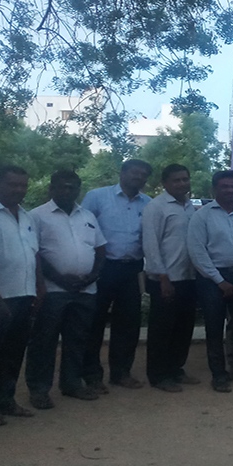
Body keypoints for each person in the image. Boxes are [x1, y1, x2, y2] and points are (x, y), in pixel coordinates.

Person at [27, 170, 107, 408]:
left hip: (85, 290)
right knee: (44, 341)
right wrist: (59, 279)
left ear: (78, 190)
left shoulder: (88, 215)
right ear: (51, 189)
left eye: (72, 187)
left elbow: (100, 248)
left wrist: (93, 275)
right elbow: (34, 252)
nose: (68, 191)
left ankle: (72, 384)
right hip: (53, 290)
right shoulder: (37, 216)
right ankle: (39, 390)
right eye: (62, 186)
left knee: (78, 340)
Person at [81, 158, 152, 391]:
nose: (138, 177)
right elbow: (83, 229)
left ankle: (121, 373)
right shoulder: (97, 197)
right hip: (102, 268)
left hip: (132, 270)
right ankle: (91, 375)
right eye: (134, 172)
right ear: (122, 173)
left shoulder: (148, 204)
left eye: (143, 175)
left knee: (129, 323)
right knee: (94, 322)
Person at [189, 170, 233, 391]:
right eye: (225, 186)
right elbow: (197, 252)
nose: (230, 190)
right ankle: (219, 375)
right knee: (214, 329)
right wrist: (219, 280)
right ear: (214, 189)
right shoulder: (202, 216)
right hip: (212, 281)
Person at [0, 165, 42, 419]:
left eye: (23, 185)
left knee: (14, 353)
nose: (19, 190)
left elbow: (34, 254)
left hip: (26, 294)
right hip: (0, 297)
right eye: (13, 184)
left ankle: (6, 400)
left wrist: (40, 288)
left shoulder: (27, 217)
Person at [141, 164, 198, 392]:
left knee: (183, 327)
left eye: (185, 179)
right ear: (165, 183)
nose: (182, 184)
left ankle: (176, 369)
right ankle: (158, 375)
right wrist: (162, 276)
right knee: (162, 329)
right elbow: (150, 244)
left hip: (189, 277)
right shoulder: (156, 207)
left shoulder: (190, 207)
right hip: (165, 278)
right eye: (177, 180)